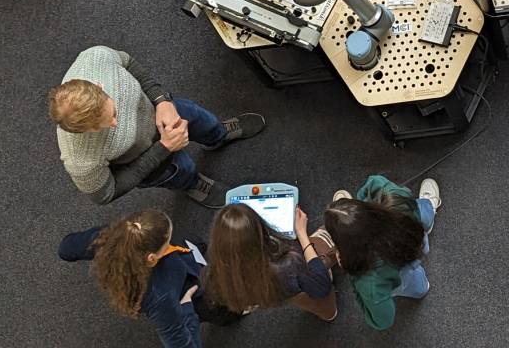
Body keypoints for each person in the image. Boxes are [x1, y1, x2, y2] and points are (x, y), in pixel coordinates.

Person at [49, 44, 264, 209]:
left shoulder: (95, 58)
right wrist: (163, 149)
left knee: (203, 119)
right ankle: (193, 184)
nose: (115, 124)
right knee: (182, 170)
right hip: (145, 160)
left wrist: (162, 100)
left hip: (159, 111)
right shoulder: (79, 160)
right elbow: (105, 194)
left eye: (113, 113)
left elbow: (129, 63)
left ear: (99, 86)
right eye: (101, 127)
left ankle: (218, 135)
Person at [59, 209, 218, 348]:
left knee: (193, 243)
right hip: (187, 290)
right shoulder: (161, 298)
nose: (171, 236)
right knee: (217, 308)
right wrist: (187, 310)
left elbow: (65, 248)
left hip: (181, 257)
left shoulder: (116, 239)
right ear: (151, 258)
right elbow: (181, 343)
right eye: (168, 240)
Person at [321, 175, 440, 331]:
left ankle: (422, 288)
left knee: (409, 283)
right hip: (414, 236)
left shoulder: (367, 279)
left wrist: (357, 287)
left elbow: (383, 321)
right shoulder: (393, 198)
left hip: (398, 274)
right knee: (422, 209)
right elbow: (374, 181)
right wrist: (354, 216)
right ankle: (430, 208)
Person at [201, 202, 338, 322]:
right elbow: (321, 287)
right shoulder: (289, 263)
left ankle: (327, 313)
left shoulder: (212, 276)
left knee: (302, 299)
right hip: (300, 282)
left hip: (275, 294)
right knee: (317, 277)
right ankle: (328, 309)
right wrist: (302, 233)